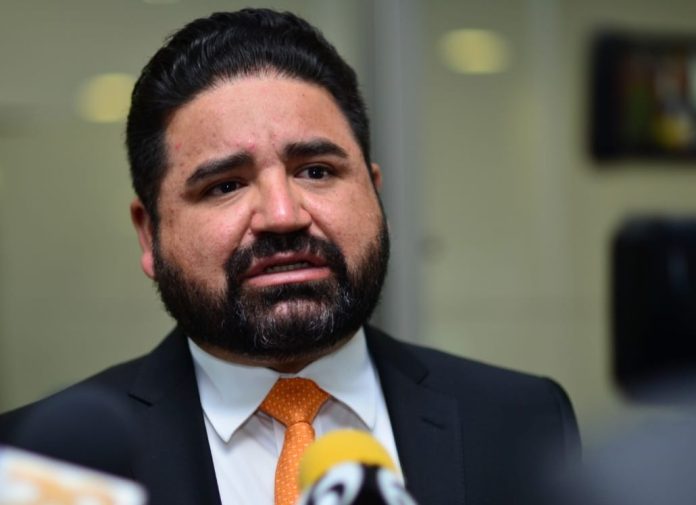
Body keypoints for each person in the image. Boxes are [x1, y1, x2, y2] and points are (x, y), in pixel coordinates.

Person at [0, 9, 579, 505]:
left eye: (317, 171)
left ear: (376, 194)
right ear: (149, 235)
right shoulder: (37, 468)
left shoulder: (520, 419)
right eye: (225, 185)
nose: (283, 215)